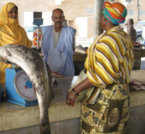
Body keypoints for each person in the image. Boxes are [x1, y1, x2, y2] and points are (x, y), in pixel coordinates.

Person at [66, 1, 134, 134]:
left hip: (106, 98)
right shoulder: (124, 37)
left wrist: (75, 91)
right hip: (123, 94)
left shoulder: (108, 40)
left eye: (102, 15)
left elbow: (100, 76)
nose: (100, 18)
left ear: (106, 19)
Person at [0, 2, 32, 83]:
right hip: (6, 69)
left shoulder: (21, 30)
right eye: (10, 12)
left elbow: (27, 48)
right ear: (5, 13)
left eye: (15, 12)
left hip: (22, 69)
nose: (14, 14)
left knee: (21, 91)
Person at [41, 8, 76, 77]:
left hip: (66, 71)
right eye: (56, 18)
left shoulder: (69, 32)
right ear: (52, 18)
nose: (58, 20)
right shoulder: (46, 31)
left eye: (60, 18)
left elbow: (72, 50)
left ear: (63, 18)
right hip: (49, 71)